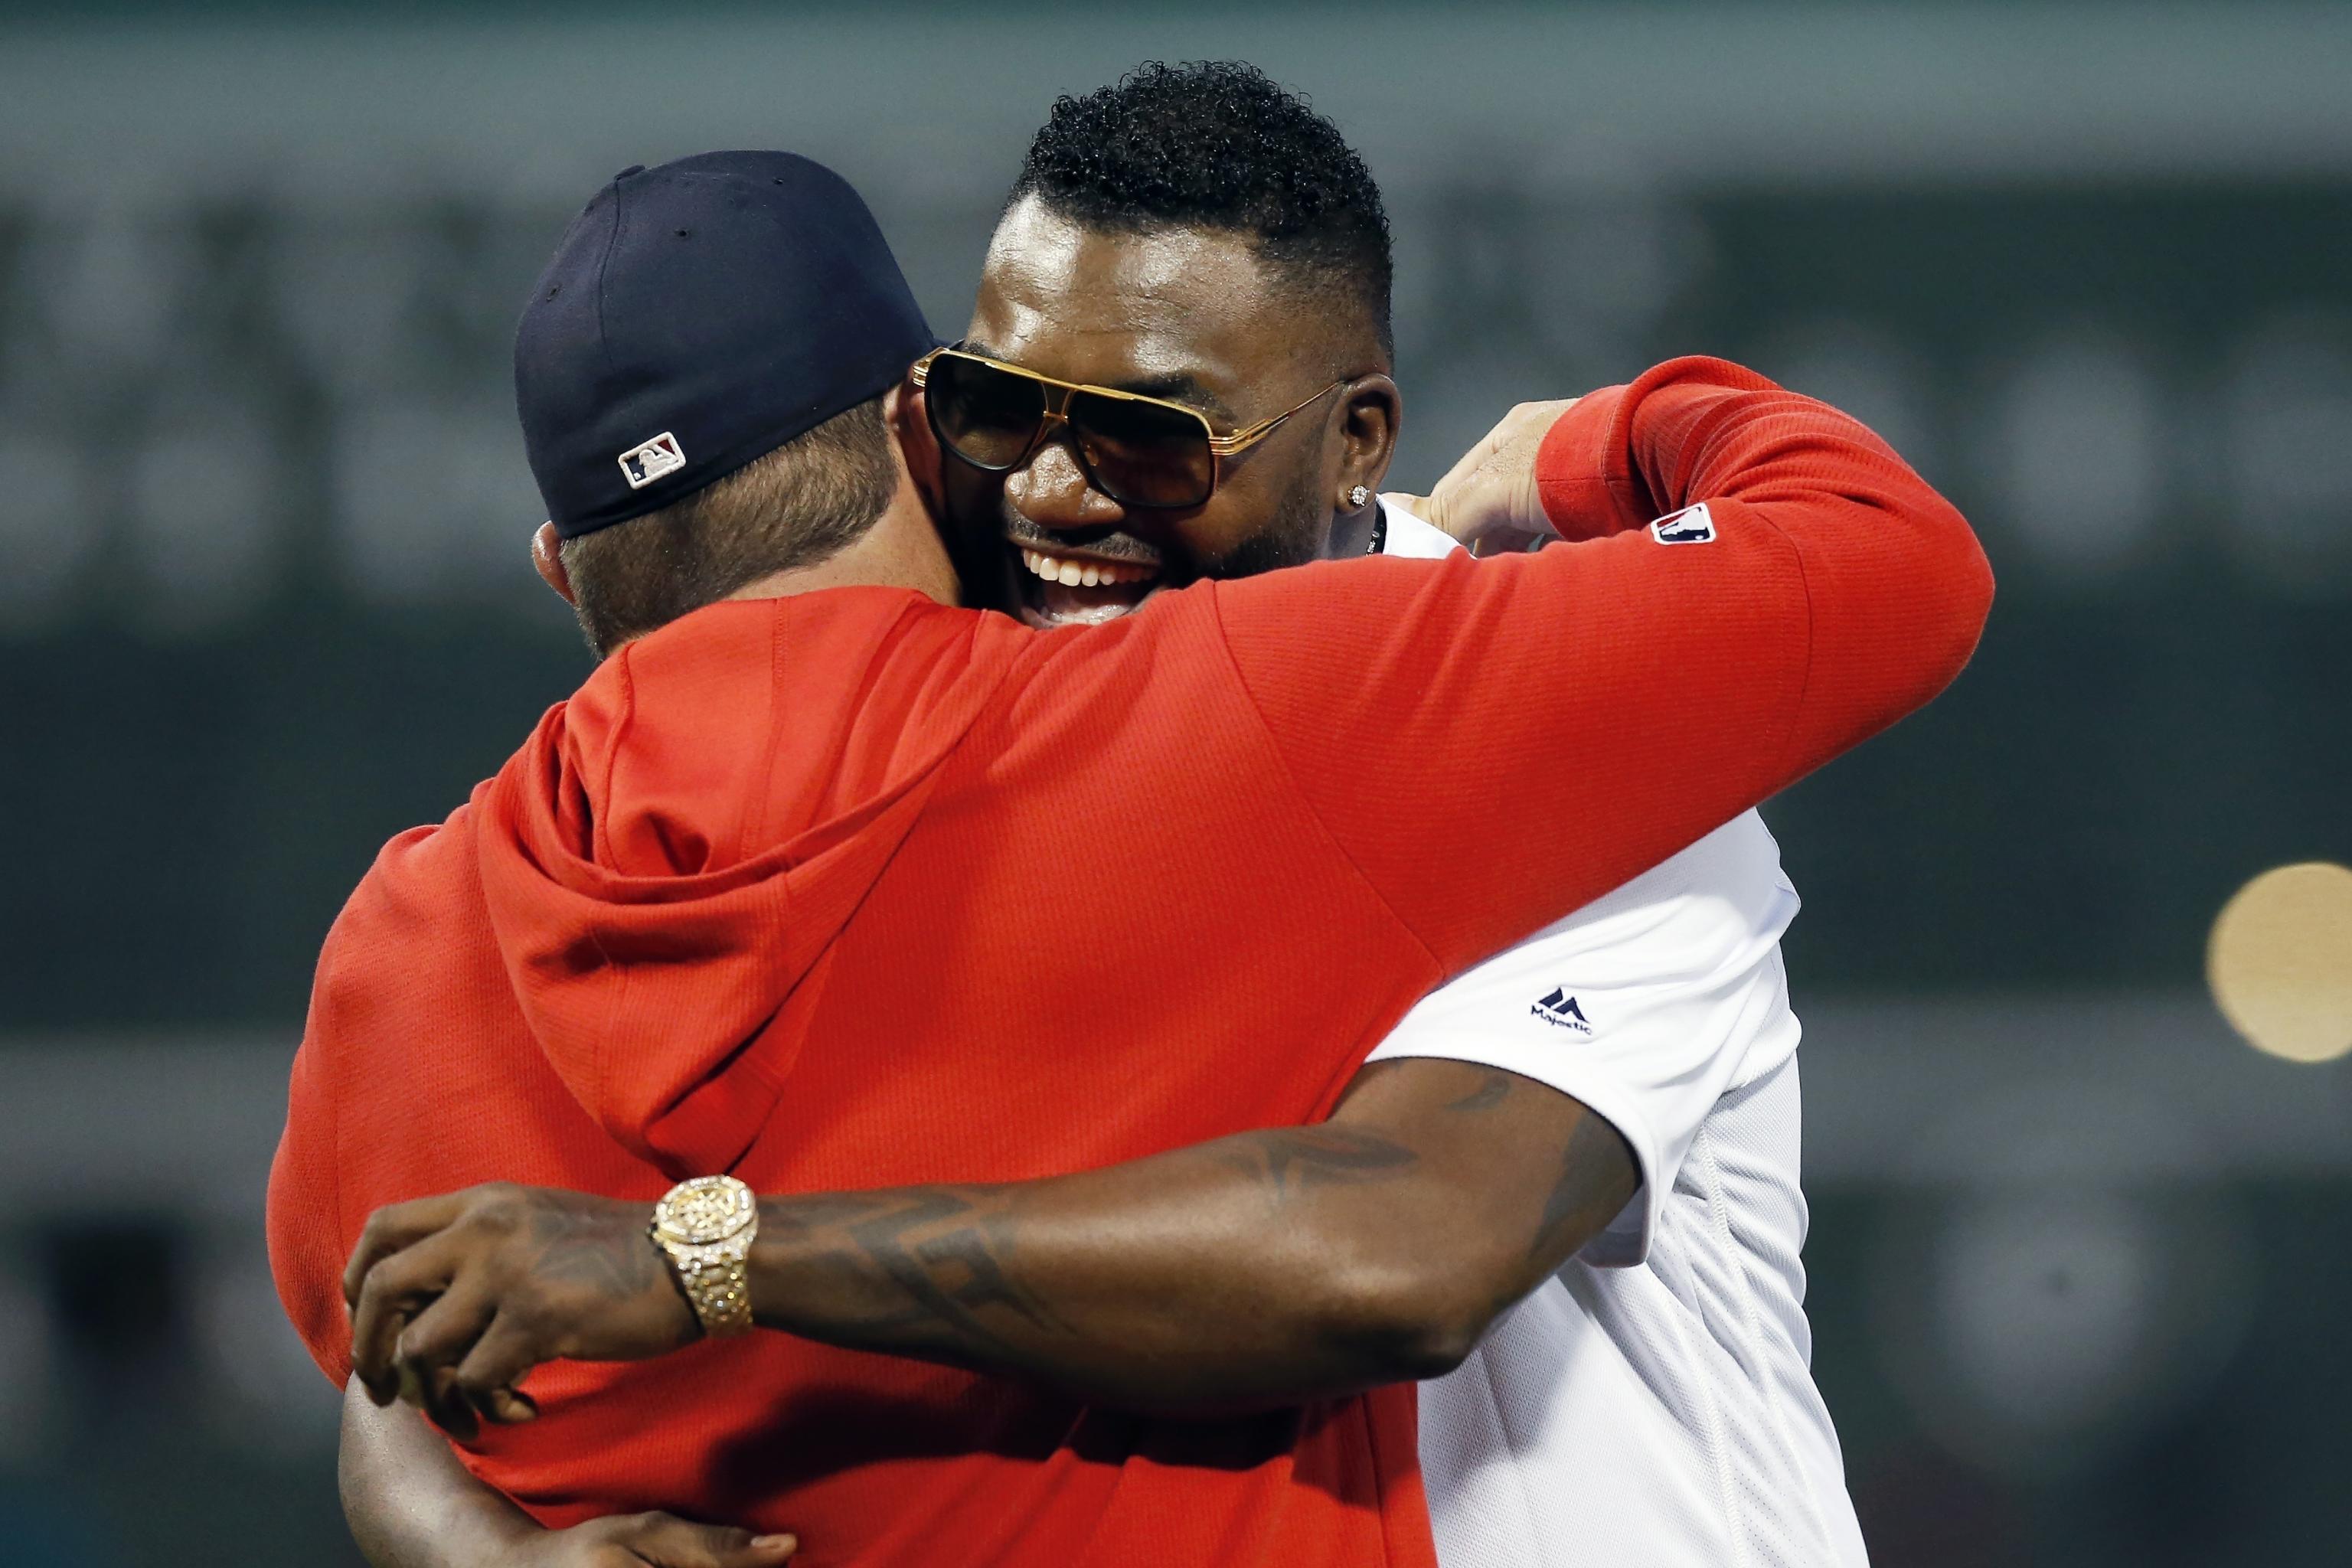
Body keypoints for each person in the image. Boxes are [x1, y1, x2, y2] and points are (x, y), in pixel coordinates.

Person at [273, 123, 1988, 1568]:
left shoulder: (398, 940)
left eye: (1153, 430)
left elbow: (1406, 1250)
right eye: (1006, 414)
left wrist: (651, 1310)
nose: (1059, 490)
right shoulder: (1190, 721)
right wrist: (1594, 440)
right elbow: (1880, 553)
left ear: (562, 570)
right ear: (917, 431)